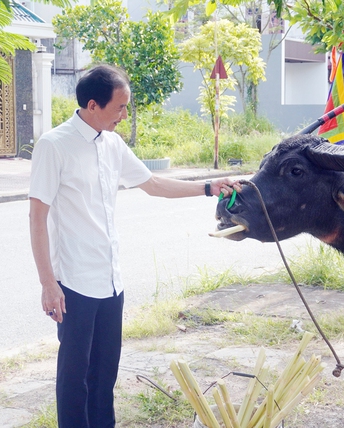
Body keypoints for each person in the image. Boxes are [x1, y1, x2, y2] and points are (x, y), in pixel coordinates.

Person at [28, 64, 238, 428]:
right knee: (74, 379)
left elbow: (152, 184)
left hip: (111, 281)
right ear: (93, 105)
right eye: (120, 107)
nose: (124, 116)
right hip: (74, 283)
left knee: (104, 376)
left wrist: (208, 187)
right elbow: (37, 217)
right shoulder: (54, 145)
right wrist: (48, 283)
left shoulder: (113, 143)